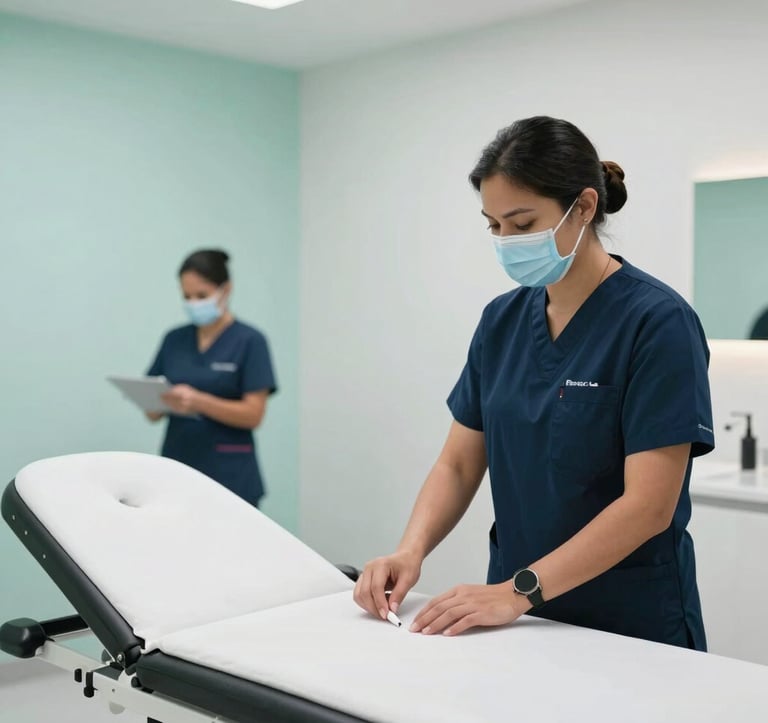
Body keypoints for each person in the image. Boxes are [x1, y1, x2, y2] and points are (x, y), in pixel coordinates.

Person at [353, 116, 715, 650]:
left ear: (584, 207)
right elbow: (457, 462)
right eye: (493, 225)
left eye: (522, 224)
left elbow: (648, 506)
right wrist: (411, 551)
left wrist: (519, 591)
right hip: (516, 619)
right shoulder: (500, 322)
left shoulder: (657, 322)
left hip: (628, 619)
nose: (505, 241)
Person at [146, 249, 276, 507]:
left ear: (225, 290)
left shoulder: (249, 341)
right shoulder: (174, 339)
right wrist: (157, 401)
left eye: (202, 296)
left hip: (230, 475)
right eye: (187, 296)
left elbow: (254, 414)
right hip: (177, 467)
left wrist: (199, 402)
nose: (194, 303)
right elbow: (152, 413)